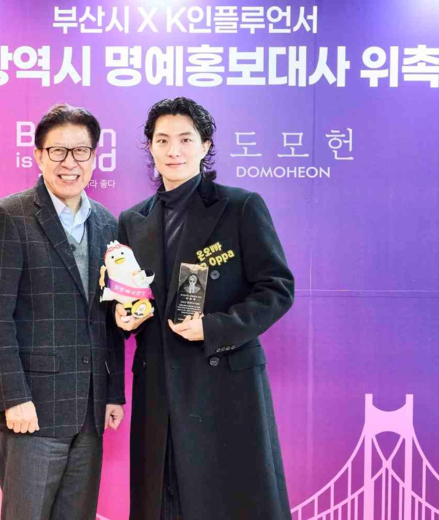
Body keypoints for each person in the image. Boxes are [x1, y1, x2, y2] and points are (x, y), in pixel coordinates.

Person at [115, 97, 295, 520]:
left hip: (224, 382)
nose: (173, 150)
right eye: (162, 140)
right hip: (158, 386)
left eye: (185, 139)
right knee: (164, 502)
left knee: (230, 502)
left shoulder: (240, 206)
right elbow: (130, 297)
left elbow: (277, 288)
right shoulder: (132, 220)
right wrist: (125, 318)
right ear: (150, 147)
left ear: (205, 145)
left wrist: (214, 327)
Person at [0, 103, 125, 520]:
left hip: (89, 413)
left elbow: (107, 319)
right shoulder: (9, 216)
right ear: (38, 156)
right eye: (58, 151)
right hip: (31, 412)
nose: (69, 163)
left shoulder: (108, 224)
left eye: (81, 151)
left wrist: (113, 393)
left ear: (94, 158)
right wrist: (13, 398)